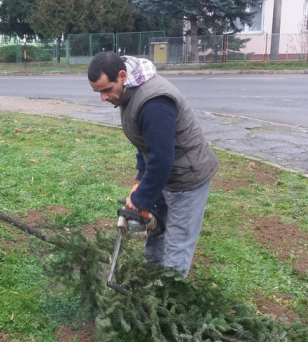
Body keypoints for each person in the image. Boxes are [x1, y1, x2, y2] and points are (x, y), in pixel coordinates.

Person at [87, 52, 218, 277]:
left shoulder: (153, 101)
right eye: (98, 92)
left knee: (178, 243)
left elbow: (161, 159)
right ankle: (151, 280)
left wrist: (139, 200)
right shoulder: (127, 92)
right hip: (165, 172)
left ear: (121, 76)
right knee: (154, 229)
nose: (103, 97)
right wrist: (140, 181)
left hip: (187, 176)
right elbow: (145, 144)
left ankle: (169, 299)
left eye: (106, 90)